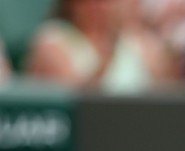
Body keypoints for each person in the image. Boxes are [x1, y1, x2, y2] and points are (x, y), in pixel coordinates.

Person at [24, 0, 175, 93]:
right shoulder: (52, 40)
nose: (95, 5)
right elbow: (74, 103)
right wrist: (105, 61)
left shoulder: (143, 45)